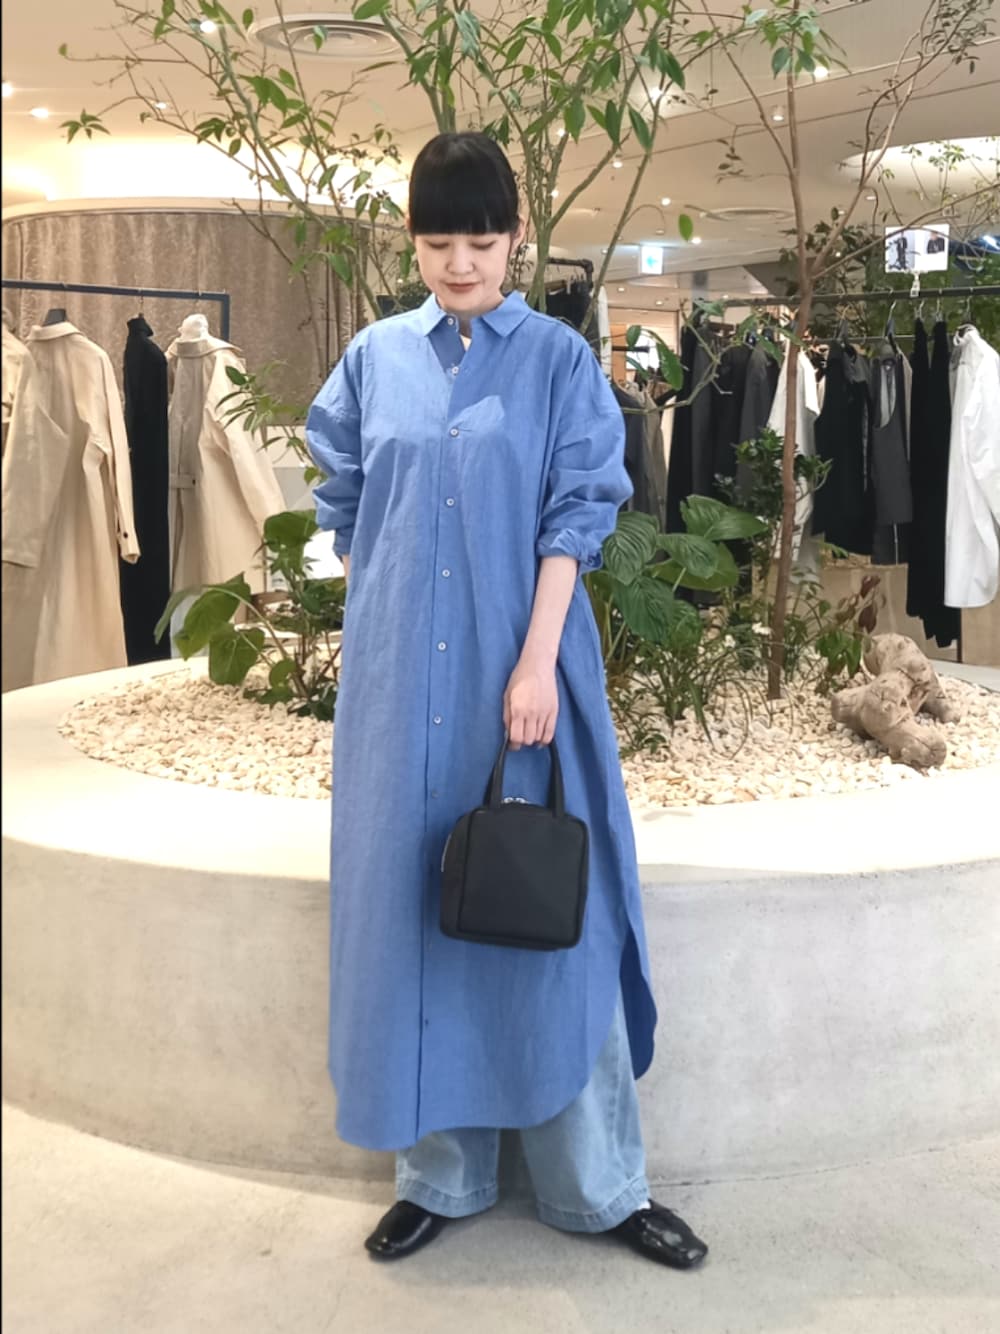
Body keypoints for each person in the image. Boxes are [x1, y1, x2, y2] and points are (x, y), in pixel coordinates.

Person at [305, 131, 709, 1270]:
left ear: (517, 238)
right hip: (399, 689)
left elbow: (574, 520)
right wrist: (381, 616)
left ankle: (603, 1186)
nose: (459, 263)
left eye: (480, 241)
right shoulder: (374, 358)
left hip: (520, 672)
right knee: (418, 913)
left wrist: (534, 665)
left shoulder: (557, 363)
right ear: (412, 242)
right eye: (439, 242)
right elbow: (346, 499)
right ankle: (439, 1176)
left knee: (549, 912)